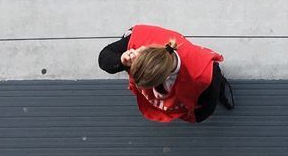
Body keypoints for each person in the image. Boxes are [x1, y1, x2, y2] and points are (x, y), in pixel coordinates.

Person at [98, 24, 232, 125]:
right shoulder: (138, 39)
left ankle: (222, 84)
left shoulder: (202, 73)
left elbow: (205, 109)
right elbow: (104, 57)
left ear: (165, 78)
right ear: (142, 50)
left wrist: (194, 116)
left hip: (204, 78)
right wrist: (122, 59)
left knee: (215, 83)